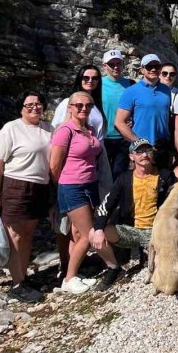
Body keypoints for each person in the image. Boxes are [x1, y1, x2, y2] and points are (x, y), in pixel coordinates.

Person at [91, 139, 178, 282]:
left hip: (156, 232)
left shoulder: (165, 176)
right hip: (130, 230)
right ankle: (114, 268)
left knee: (162, 272)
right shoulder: (124, 179)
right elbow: (107, 205)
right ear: (132, 156)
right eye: (139, 151)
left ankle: (147, 255)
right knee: (93, 233)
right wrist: (99, 228)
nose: (144, 155)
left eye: (148, 150)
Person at [50, 91, 121, 293]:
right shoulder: (65, 130)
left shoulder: (88, 130)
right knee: (89, 233)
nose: (83, 109)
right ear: (70, 107)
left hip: (90, 186)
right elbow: (54, 165)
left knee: (79, 233)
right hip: (72, 187)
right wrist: (62, 185)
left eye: (88, 105)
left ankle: (73, 274)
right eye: (79, 105)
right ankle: (108, 267)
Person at [0, 92, 53, 303]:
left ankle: (23, 277)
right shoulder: (11, 128)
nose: (35, 108)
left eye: (38, 104)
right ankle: (17, 283)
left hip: (40, 186)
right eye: (29, 105)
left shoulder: (48, 129)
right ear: (21, 108)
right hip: (16, 185)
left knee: (27, 235)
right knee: (15, 236)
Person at [115, 54, 175, 169]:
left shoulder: (166, 90)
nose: (153, 69)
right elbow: (119, 122)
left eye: (156, 66)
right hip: (140, 150)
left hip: (162, 148)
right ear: (142, 69)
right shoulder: (131, 92)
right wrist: (139, 142)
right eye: (149, 66)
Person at [101, 49, 134, 179]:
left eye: (118, 63)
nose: (116, 67)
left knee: (119, 176)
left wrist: (134, 120)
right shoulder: (98, 84)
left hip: (123, 139)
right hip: (103, 137)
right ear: (105, 66)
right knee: (102, 176)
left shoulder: (131, 85)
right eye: (111, 64)